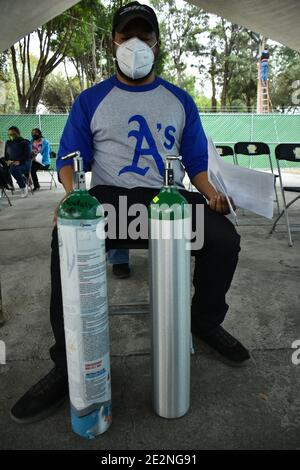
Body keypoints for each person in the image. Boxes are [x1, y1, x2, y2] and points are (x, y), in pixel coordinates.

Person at [11, 2, 250, 424]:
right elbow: (69, 159)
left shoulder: (178, 99)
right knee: (63, 241)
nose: (136, 45)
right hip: (110, 202)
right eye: (127, 37)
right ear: (113, 42)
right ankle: (65, 367)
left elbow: (196, 162)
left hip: (166, 203)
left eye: (146, 36)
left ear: (157, 43)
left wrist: (212, 194)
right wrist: (70, 196)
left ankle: (204, 322)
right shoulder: (91, 100)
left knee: (225, 239)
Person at [5, 126, 31, 198]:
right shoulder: (8, 143)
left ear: (18, 133)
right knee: (4, 169)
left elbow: (27, 155)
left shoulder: (25, 142)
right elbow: (6, 155)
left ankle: (23, 187)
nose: (11, 136)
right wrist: (7, 161)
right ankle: (7, 185)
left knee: (13, 169)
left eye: (13, 134)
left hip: (24, 164)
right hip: (12, 163)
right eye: (9, 134)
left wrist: (19, 161)